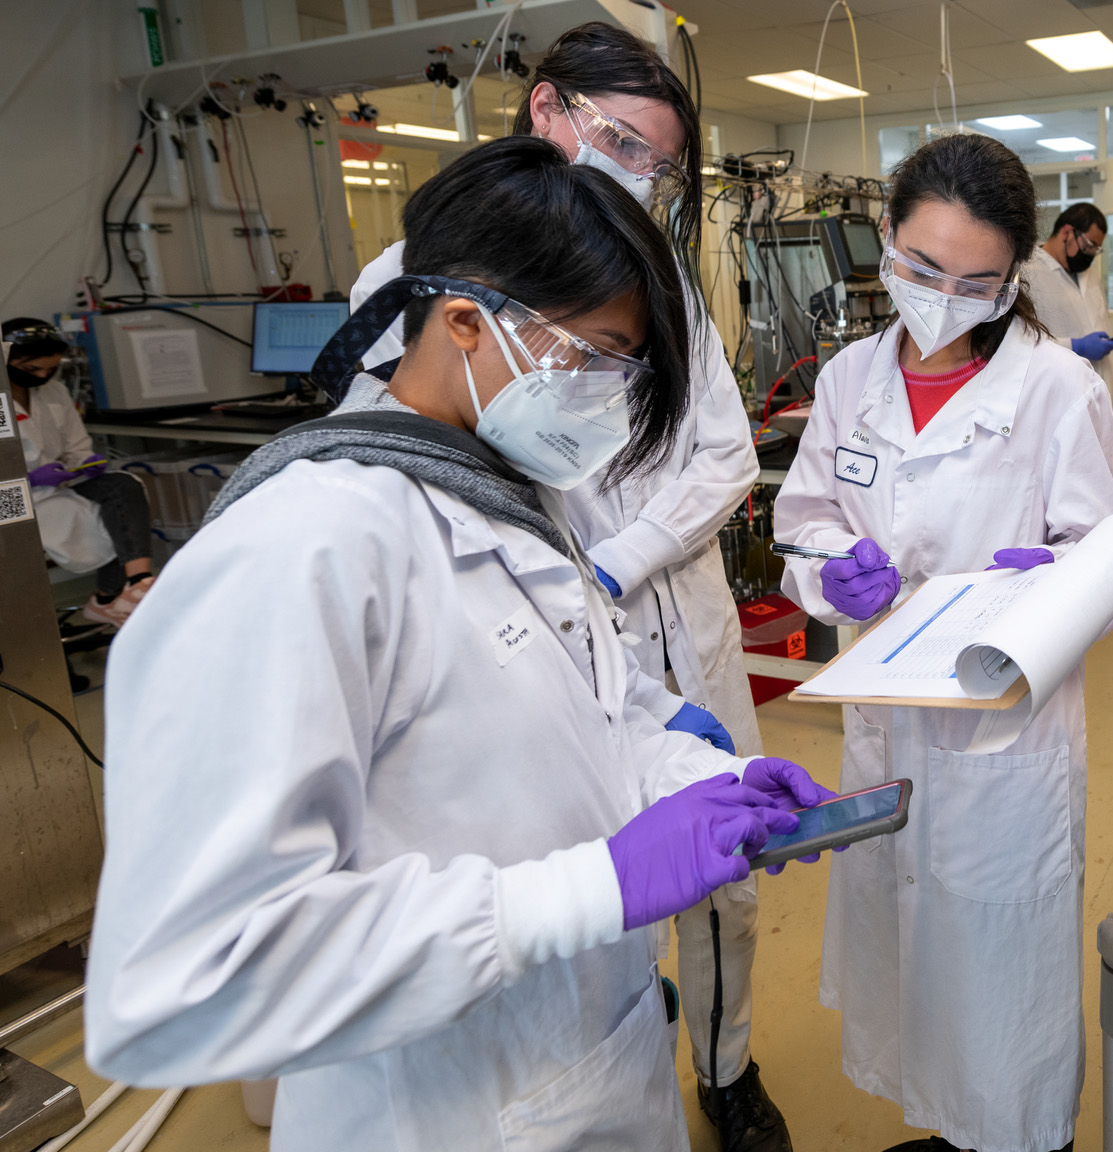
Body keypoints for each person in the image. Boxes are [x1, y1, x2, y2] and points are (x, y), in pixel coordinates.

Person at [85, 138, 832, 1152]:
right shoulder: (303, 548)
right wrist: (589, 889)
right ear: (469, 322)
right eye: (598, 357)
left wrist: (702, 774)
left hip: (582, 1065)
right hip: (444, 1110)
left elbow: (585, 707)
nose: (612, 394)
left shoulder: (506, 490)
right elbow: (190, 975)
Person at [348, 23, 788, 1151]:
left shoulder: (661, 273)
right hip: (524, 636)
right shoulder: (411, 284)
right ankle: (632, 1025)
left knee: (725, 876)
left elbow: (725, 454)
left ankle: (727, 1063)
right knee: (583, 879)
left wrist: (614, 562)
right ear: (547, 111)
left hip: (665, 620)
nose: (639, 175)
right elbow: (409, 485)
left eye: (656, 163)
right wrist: (565, 584)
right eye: (624, 143)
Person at [773, 133, 1113, 1152]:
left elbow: (1104, 563)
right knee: (913, 954)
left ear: (1015, 275)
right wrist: (829, 564)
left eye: (976, 280)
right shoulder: (849, 377)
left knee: (1000, 973)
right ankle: (951, 1122)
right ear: (886, 239)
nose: (943, 295)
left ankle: (1022, 1133)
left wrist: (1044, 591)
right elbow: (805, 516)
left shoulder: (1057, 388)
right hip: (886, 716)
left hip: (1000, 735)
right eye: (923, 268)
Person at [4, 319, 157, 626]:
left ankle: (136, 584)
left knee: (125, 486)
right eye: (32, 369)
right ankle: (108, 598)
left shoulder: (55, 391)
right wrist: (30, 479)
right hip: (12, 503)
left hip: (58, 487)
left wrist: (86, 463)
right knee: (110, 517)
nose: (44, 376)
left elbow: (76, 447)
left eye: (51, 368)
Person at [1023, 203, 1113, 479]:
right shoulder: (1027, 270)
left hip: (1101, 383)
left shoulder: (1088, 274)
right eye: (1090, 245)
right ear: (1067, 232)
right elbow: (1020, 340)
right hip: (1060, 392)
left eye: (1097, 249)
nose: (1092, 254)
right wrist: (1076, 346)